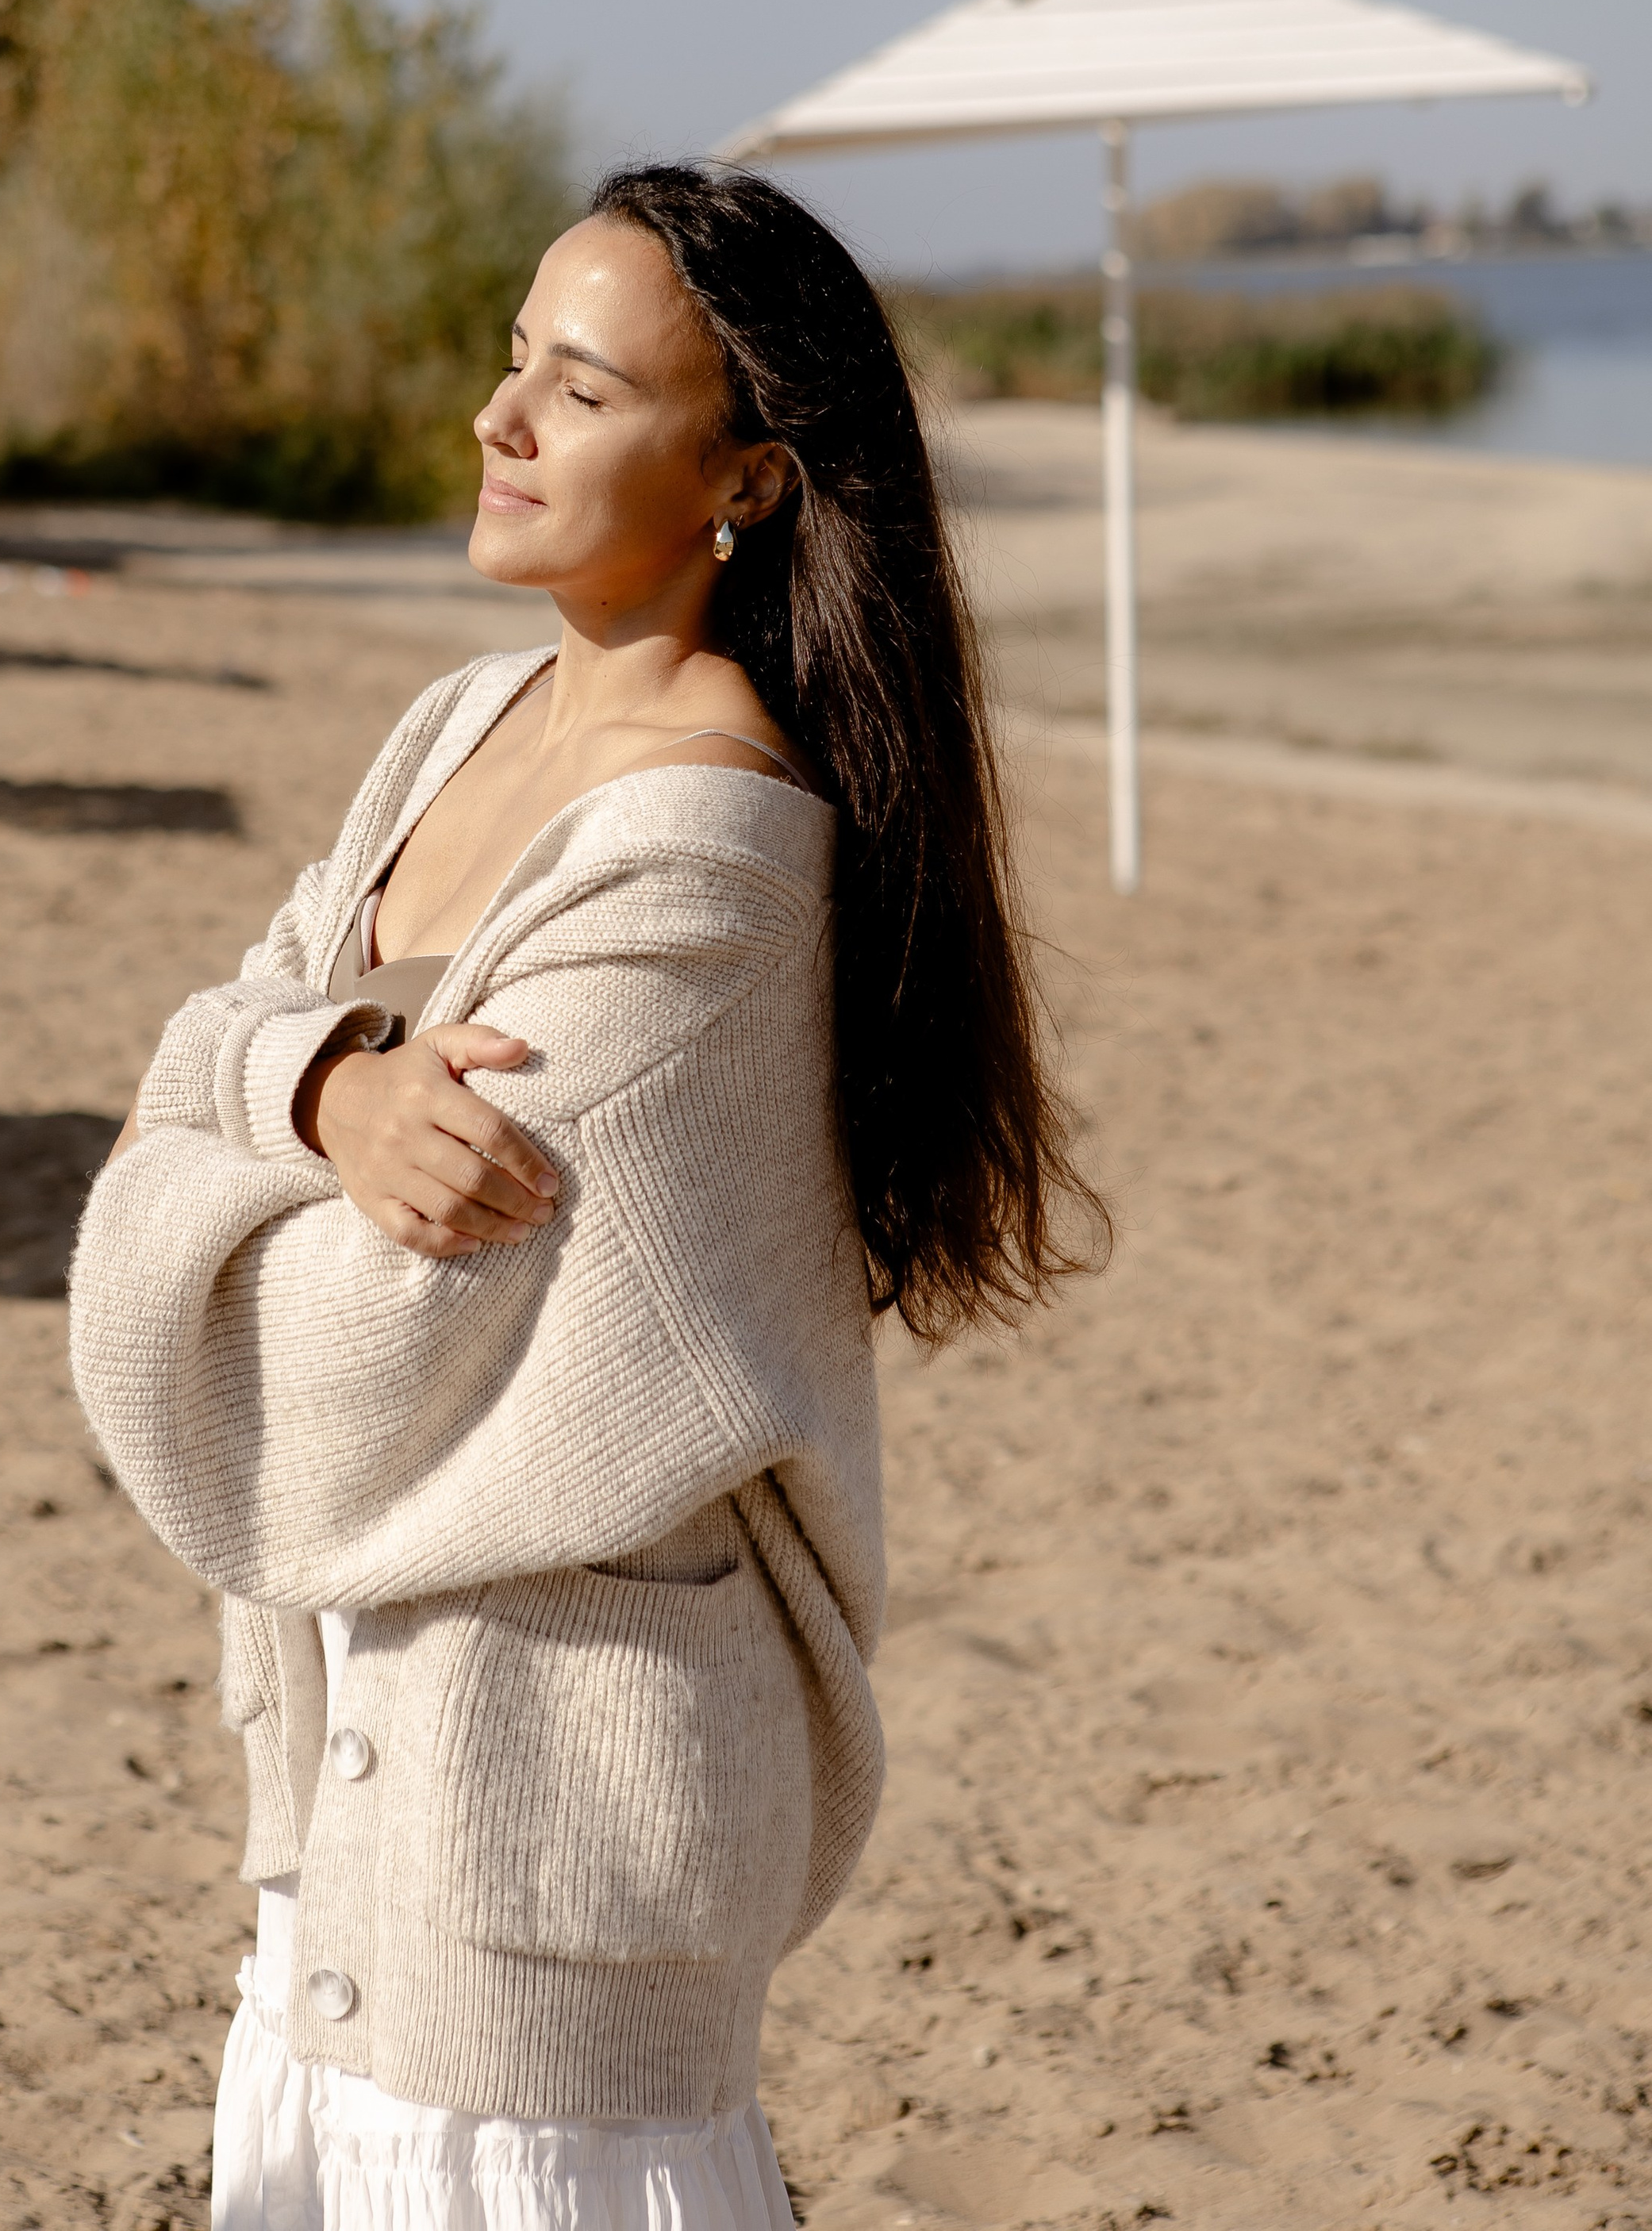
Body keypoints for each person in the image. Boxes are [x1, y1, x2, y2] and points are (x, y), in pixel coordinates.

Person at [68, 162, 1099, 2231]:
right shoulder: (458, 728)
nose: (498, 419)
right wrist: (325, 1078)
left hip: (540, 1872)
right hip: (340, 1825)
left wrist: (224, 1119)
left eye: (579, 385)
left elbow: (359, 1349)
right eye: (508, 361)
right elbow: (178, 1098)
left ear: (745, 479)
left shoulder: (708, 860)